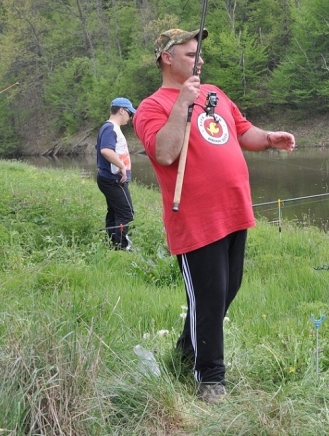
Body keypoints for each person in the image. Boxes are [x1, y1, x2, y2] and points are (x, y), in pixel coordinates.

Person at [133, 28, 295, 403]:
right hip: (196, 220)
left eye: (200, 54)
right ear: (167, 59)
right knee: (208, 300)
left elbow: (242, 130)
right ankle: (210, 380)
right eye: (191, 55)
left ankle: (183, 356)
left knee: (225, 292)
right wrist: (182, 103)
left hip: (235, 210)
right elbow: (165, 153)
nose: (200, 60)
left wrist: (268, 138)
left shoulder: (215, 93)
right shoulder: (152, 107)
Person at [96, 97, 137, 250]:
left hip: (109, 179)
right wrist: (121, 166)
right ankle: (122, 247)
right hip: (114, 180)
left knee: (114, 211)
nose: (130, 117)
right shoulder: (110, 128)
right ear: (121, 110)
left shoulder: (109, 127)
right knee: (126, 213)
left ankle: (113, 245)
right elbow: (106, 150)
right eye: (130, 113)